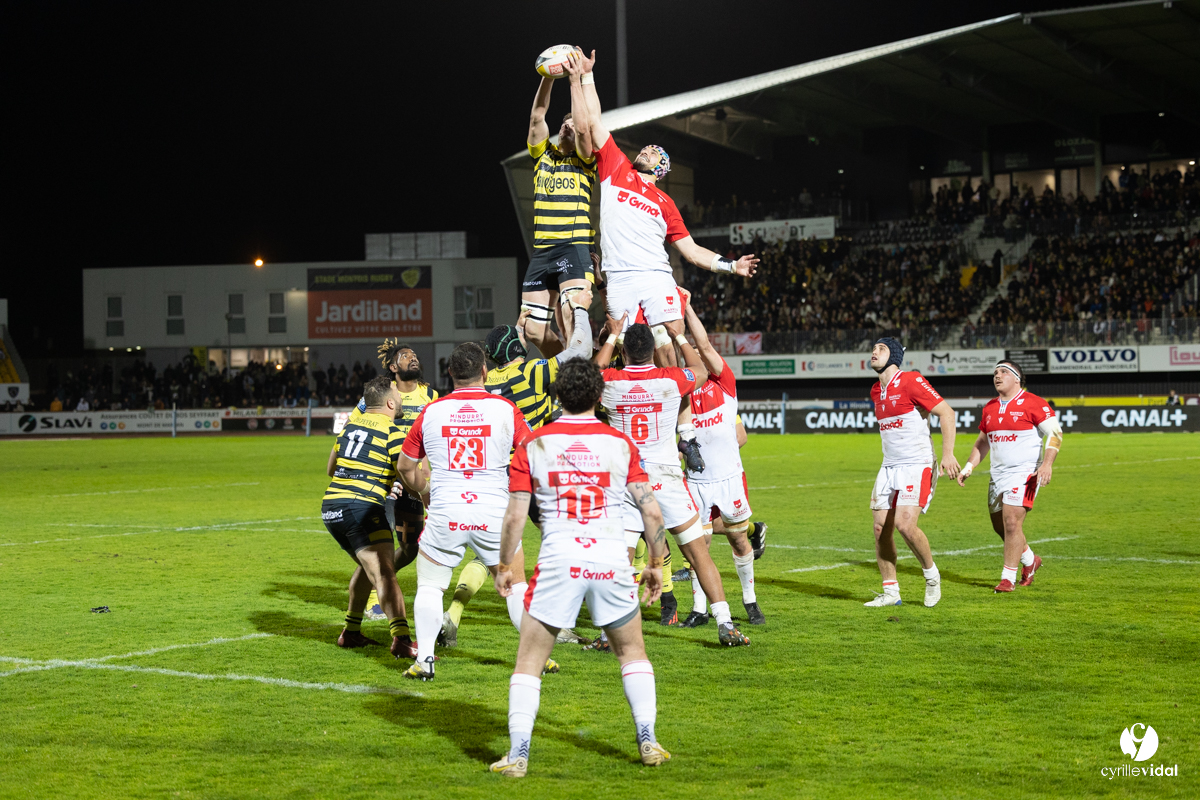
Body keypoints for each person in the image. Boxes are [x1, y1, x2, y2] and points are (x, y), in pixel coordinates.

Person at [564, 48, 759, 473]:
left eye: (654, 151)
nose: (647, 150)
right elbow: (591, 121)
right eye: (647, 148)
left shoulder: (666, 203)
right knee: (620, 347)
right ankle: (622, 430)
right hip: (620, 278)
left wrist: (731, 266)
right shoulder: (616, 168)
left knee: (669, 347)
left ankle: (684, 435)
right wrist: (583, 79)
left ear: (663, 167)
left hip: (656, 278)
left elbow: (691, 252)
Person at [490, 358, 671, 777]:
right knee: (632, 652)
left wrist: (504, 564)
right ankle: (648, 739)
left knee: (529, 661)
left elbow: (515, 516)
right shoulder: (620, 443)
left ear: (557, 395)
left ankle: (518, 754)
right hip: (611, 559)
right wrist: (655, 563)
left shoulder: (534, 444)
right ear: (599, 396)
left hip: (559, 561)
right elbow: (651, 511)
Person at [440, 287, 597, 648]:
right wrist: (581, 311)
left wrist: (515, 331)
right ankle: (560, 621)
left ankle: (454, 613)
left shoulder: (487, 383)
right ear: (515, 350)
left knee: (494, 554)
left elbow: (505, 357)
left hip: (498, 479)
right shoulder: (532, 372)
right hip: (536, 475)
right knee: (565, 542)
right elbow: (581, 350)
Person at [395, 343, 553, 681]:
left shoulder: (431, 411)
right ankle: (537, 658)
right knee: (515, 585)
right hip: (493, 511)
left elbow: (405, 466)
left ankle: (425, 660)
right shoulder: (505, 408)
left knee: (430, 586)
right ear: (484, 371)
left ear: (450, 373)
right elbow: (534, 453)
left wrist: (424, 490)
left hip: (446, 510)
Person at [594, 321, 750, 646]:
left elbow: (591, 373)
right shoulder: (670, 379)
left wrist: (612, 335)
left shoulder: (612, 381)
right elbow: (700, 370)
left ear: (624, 352)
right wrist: (677, 334)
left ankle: (608, 634)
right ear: (653, 349)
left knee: (620, 561)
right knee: (698, 555)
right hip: (666, 478)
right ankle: (725, 623)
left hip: (627, 481)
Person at [675, 292, 765, 625]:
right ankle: (700, 609)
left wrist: (686, 309)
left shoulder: (724, 383)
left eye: (699, 352)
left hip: (729, 478)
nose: (697, 354)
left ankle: (750, 601)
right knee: (698, 545)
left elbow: (705, 344)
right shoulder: (681, 391)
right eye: (690, 354)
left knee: (739, 539)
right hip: (696, 482)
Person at [321, 376, 415, 658]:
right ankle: (402, 640)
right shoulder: (393, 432)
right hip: (361, 508)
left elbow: (331, 469)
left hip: (332, 508)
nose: (400, 398)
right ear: (389, 403)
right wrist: (426, 494)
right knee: (384, 573)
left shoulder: (350, 428)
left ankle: (350, 632)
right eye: (397, 394)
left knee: (368, 566)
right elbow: (408, 473)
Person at [866, 338, 960, 608]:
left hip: (917, 463)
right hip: (889, 465)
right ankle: (891, 592)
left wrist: (948, 454)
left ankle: (932, 577)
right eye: (873, 348)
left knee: (905, 525)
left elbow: (947, 413)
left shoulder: (911, 380)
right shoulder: (876, 390)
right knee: (880, 528)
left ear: (894, 356)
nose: (874, 352)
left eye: (881, 349)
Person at [351, 340, 438, 622]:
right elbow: (353, 428)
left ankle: (383, 580)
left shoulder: (431, 395)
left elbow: (433, 438)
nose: (412, 358)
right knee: (379, 547)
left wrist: (426, 476)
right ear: (392, 367)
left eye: (414, 355)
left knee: (410, 548)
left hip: (413, 483)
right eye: (404, 356)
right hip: (384, 482)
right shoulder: (380, 395)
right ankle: (374, 597)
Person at [957, 360, 1061, 592]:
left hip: (1026, 474)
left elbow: (1055, 433)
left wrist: (1047, 464)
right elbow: (982, 442)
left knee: (1012, 522)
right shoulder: (990, 407)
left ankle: (1007, 579)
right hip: (998, 475)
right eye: (995, 372)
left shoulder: (1034, 403)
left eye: (1003, 371)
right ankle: (1030, 560)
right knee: (1001, 527)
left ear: (1017, 378)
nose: (997, 375)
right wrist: (969, 467)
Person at [520, 65, 597, 354]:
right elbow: (537, 116)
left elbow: (585, 131)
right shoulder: (542, 155)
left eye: (574, 123)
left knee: (570, 315)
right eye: (565, 123)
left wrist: (576, 80)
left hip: (572, 247)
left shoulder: (586, 160)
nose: (568, 126)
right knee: (533, 329)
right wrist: (547, 75)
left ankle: (579, 378)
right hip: (542, 251)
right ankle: (565, 369)